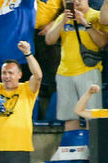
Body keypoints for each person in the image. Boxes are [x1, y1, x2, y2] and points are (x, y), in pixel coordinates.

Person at [44, 0, 107, 132]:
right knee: (70, 118)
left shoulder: (96, 16)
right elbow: (49, 40)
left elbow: (102, 43)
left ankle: (93, 151)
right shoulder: (63, 17)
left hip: (88, 71)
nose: (76, 1)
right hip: (64, 73)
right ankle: (72, 150)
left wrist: (86, 23)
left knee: (93, 117)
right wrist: (62, 22)